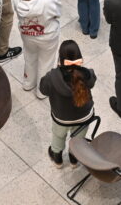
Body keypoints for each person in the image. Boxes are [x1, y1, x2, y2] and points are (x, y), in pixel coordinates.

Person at [39, 40, 97, 168]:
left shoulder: (52, 77)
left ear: (60, 58)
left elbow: (43, 89)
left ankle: (57, 159)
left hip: (61, 118)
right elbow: (92, 82)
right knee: (78, 139)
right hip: (84, 116)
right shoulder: (87, 74)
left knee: (58, 136)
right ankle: (74, 159)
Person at [14, 0, 62, 99]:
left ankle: (28, 83)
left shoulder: (17, 3)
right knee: (46, 62)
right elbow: (58, 13)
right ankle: (42, 90)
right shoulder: (49, 1)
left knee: (30, 58)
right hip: (47, 36)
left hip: (28, 36)